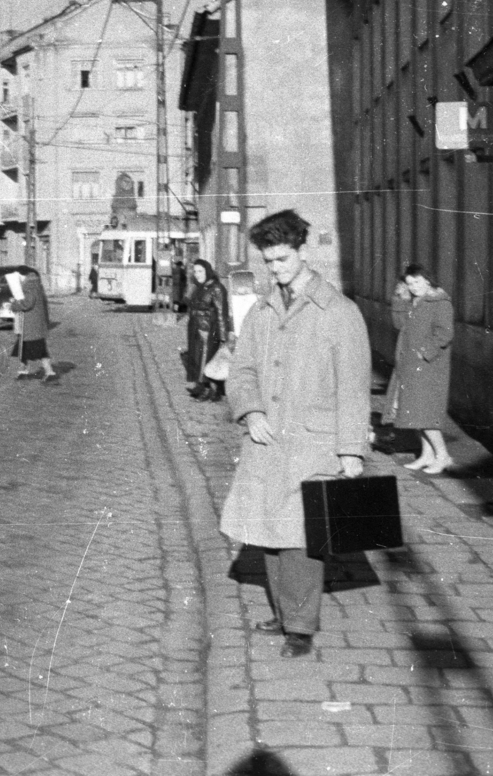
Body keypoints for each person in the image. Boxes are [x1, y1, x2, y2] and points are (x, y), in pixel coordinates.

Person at [219, 209, 370, 659]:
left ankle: (300, 628)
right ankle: (285, 613)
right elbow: (240, 369)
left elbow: (354, 387)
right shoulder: (262, 311)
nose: (275, 269)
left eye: (282, 259)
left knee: (302, 537)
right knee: (266, 531)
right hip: (266, 439)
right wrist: (251, 410)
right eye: (268, 262)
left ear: (303, 252)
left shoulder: (340, 312)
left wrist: (351, 450)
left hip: (314, 441)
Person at [391, 265, 456, 474]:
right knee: (416, 414)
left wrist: (425, 353)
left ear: (428, 281)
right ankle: (427, 455)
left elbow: (445, 333)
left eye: (417, 282)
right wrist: (400, 299)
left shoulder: (440, 302)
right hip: (410, 365)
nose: (413, 287)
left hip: (429, 367)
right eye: (409, 284)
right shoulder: (413, 302)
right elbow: (399, 324)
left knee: (426, 414)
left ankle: (443, 456)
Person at [185, 259, 230, 401]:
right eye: (195, 271)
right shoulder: (198, 287)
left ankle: (209, 389)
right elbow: (187, 302)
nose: (197, 274)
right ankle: (201, 385)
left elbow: (222, 313)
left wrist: (223, 337)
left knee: (206, 358)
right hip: (195, 328)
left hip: (209, 329)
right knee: (196, 358)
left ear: (208, 271)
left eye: (200, 271)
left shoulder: (216, 288)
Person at [9, 270, 59, 384]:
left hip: (31, 327)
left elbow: (27, 303)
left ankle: (49, 372)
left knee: (38, 351)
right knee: (24, 349)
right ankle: (23, 371)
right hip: (33, 326)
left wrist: (14, 305)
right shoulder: (37, 287)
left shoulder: (30, 287)